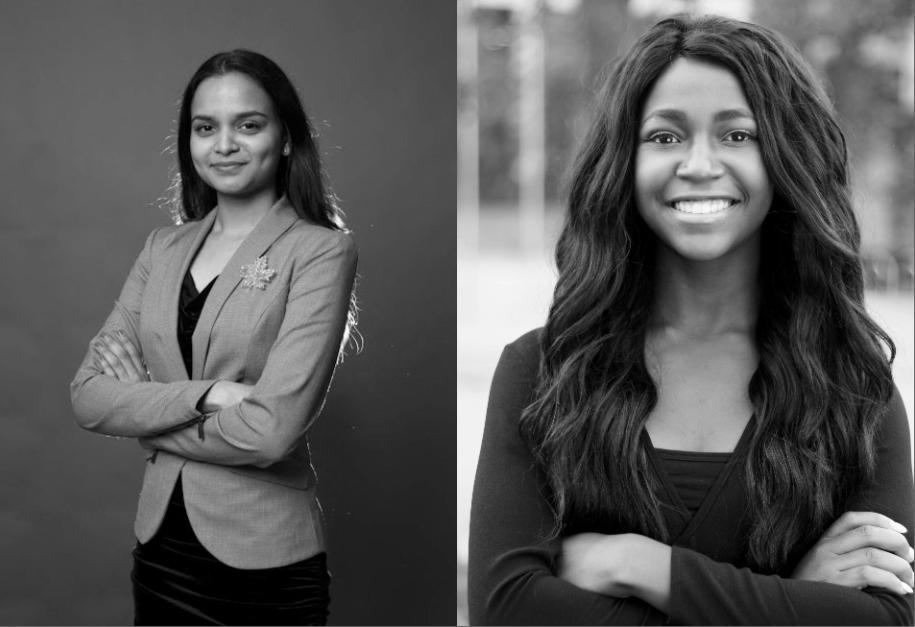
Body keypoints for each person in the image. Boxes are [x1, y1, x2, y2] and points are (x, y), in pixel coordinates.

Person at [469, 14, 914, 626]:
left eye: (738, 136)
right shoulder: (541, 373)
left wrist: (639, 565)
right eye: (665, 136)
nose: (699, 164)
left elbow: (883, 620)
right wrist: (791, 599)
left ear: (789, 156)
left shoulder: (855, 388)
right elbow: (509, 610)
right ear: (623, 160)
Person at [70, 49, 357, 625]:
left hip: (265, 566)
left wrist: (146, 424)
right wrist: (211, 396)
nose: (224, 144)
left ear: (285, 139)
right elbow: (87, 395)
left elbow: (271, 434)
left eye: (247, 125)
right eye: (206, 128)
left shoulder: (321, 250)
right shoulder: (162, 248)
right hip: (159, 554)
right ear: (190, 142)